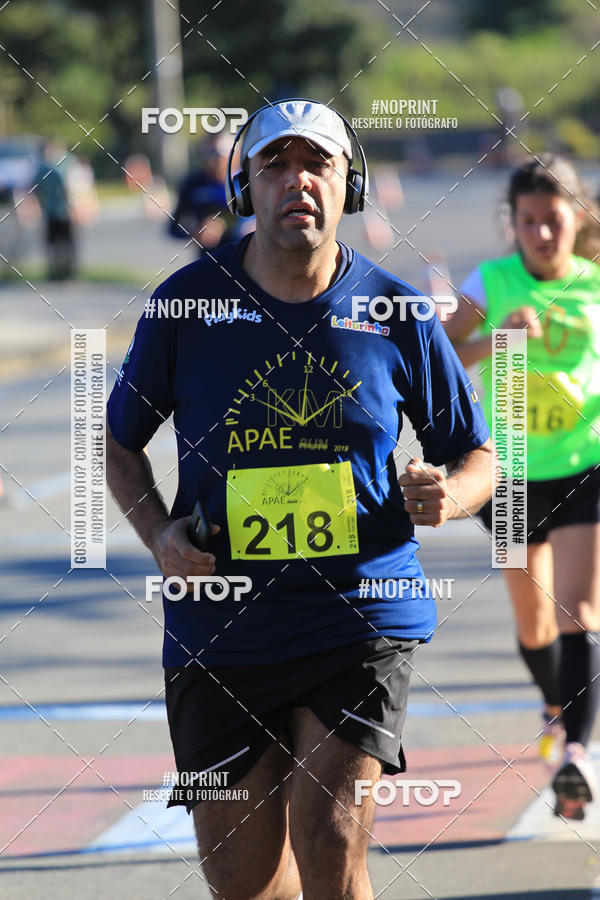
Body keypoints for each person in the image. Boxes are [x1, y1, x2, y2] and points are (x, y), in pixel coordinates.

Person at [106, 99, 492, 899]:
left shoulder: (396, 312)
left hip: (359, 609)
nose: (298, 181)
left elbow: (475, 454)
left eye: (316, 163)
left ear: (349, 184)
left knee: (332, 830)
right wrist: (158, 536)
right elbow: (118, 442)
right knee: (242, 878)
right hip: (221, 620)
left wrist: (448, 496)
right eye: (275, 164)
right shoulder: (186, 308)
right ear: (243, 185)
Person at [445, 153, 600, 820]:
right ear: (513, 223)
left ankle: (576, 754)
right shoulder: (493, 281)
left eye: (552, 220)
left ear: (577, 218)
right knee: (533, 625)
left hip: (583, 465)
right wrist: (496, 341)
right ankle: (552, 702)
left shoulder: (595, 285)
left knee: (578, 614)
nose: (541, 234)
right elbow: (441, 354)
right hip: (507, 477)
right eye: (528, 221)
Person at [168, 134, 239, 254]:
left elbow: (253, 222)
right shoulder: (193, 184)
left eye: (217, 154)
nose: (211, 161)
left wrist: (224, 224)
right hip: (207, 261)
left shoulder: (250, 182)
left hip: (244, 262)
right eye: (207, 154)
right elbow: (174, 227)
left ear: (235, 155)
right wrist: (194, 231)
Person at [34, 140, 77, 279]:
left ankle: (55, 271)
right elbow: (68, 190)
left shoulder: (41, 170)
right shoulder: (60, 169)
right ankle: (67, 271)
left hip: (50, 212)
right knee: (66, 242)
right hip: (62, 211)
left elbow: (36, 191)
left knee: (53, 244)